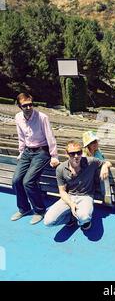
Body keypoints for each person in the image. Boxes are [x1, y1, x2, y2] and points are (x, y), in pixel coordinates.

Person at [11, 93, 59, 225]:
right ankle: (24, 208)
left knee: (28, 182)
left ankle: (39, 211)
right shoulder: (18, 117)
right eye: (24, 105)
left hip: (41, 151)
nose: (28, 107)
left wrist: (54, 156)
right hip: (27, 151)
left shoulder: (42, 117)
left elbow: (50, 137)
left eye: (30, 104)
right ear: (19, 106)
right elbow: (21, 137)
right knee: (16, 181)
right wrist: (21, 152)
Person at [44, 141, 112, 230]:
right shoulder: (61, 169)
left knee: (84, 217)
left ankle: (82, 221)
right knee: (48, 221)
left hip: (86, 196)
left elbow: (107, 162)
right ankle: (70, 218)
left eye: (79, 152)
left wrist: (105, 166)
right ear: (67, 154)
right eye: (72, 154)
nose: (76, 156)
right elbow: (62, 191)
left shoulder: (90, 161)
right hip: (69, 196)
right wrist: (71, 204)